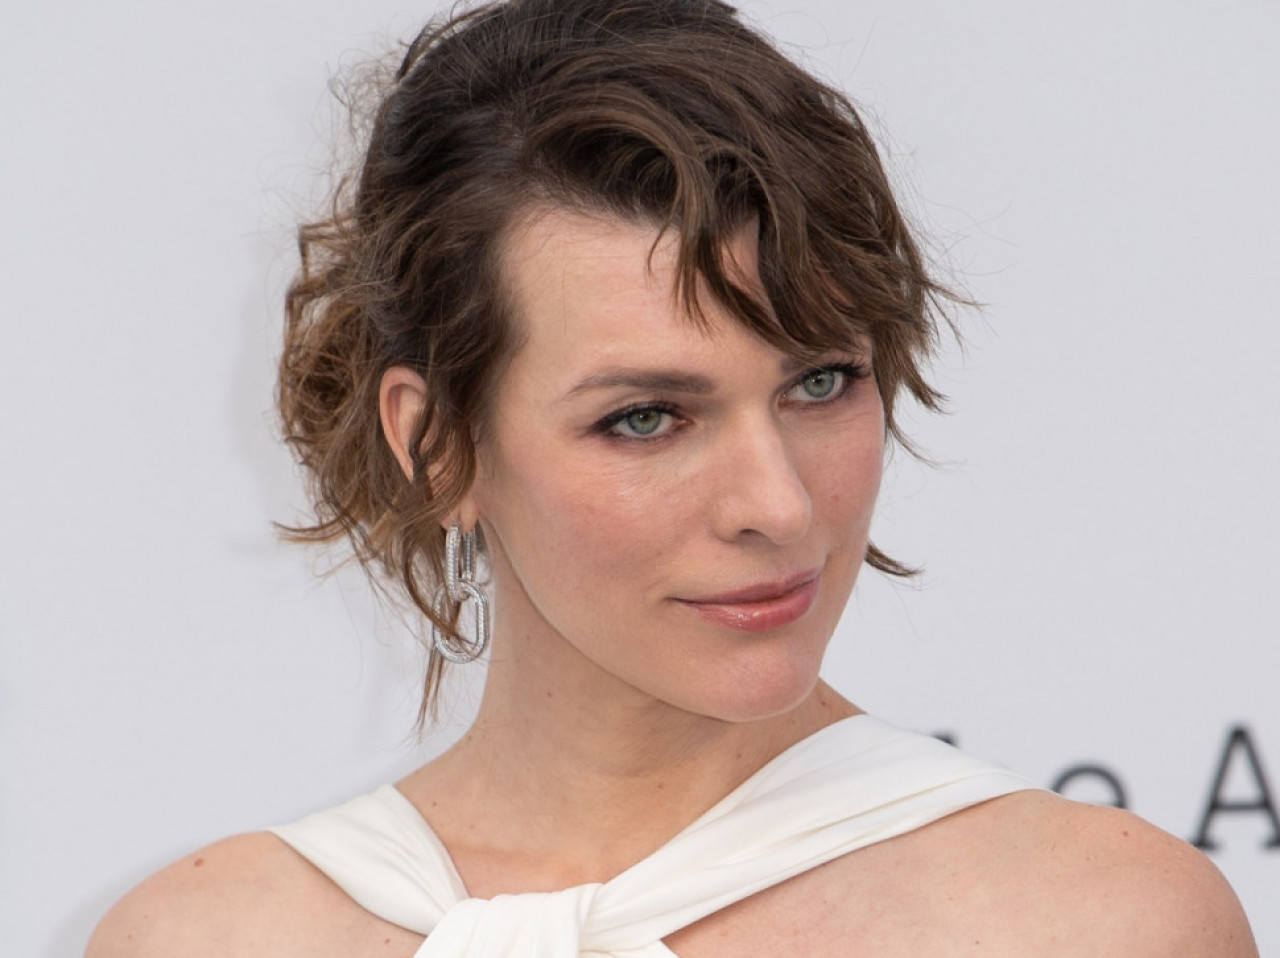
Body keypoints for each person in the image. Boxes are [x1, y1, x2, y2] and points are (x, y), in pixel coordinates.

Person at [87, 1, 1257, 955]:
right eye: (645, 417)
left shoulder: (1092, 926)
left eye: (819, 383)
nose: (777, 506)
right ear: (435, 444)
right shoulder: (204, 939)